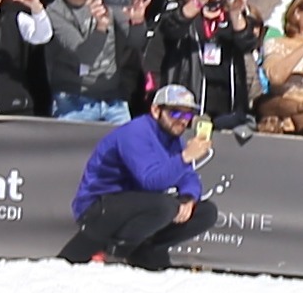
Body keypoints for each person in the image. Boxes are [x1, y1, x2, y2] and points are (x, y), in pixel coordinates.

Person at [61, 79, 216, 269]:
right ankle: (116, 252)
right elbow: (150, 181)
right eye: (175, 112)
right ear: (156, 111)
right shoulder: (135, 133)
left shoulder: (172, 138)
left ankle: (148, 250)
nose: (183, 120)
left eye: (188, 114)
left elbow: (188, 177)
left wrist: (188, 197)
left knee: (207, 212)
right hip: (98, 207)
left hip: (135, 206)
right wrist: (185, 157)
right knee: (166, 206)